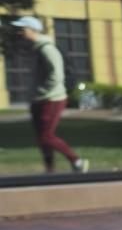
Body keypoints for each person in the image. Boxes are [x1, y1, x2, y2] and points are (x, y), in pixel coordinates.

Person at [15, 16, 86, 174]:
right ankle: (50, 170)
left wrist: (41, 91)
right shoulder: (34, 49)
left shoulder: (47, 48)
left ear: (33, 30)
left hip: (52, 98)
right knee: (42, 138)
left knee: (47, 136)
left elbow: (56, 75)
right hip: (38, 99)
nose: (19, 32)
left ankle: (77, 161)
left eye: (22, 29)